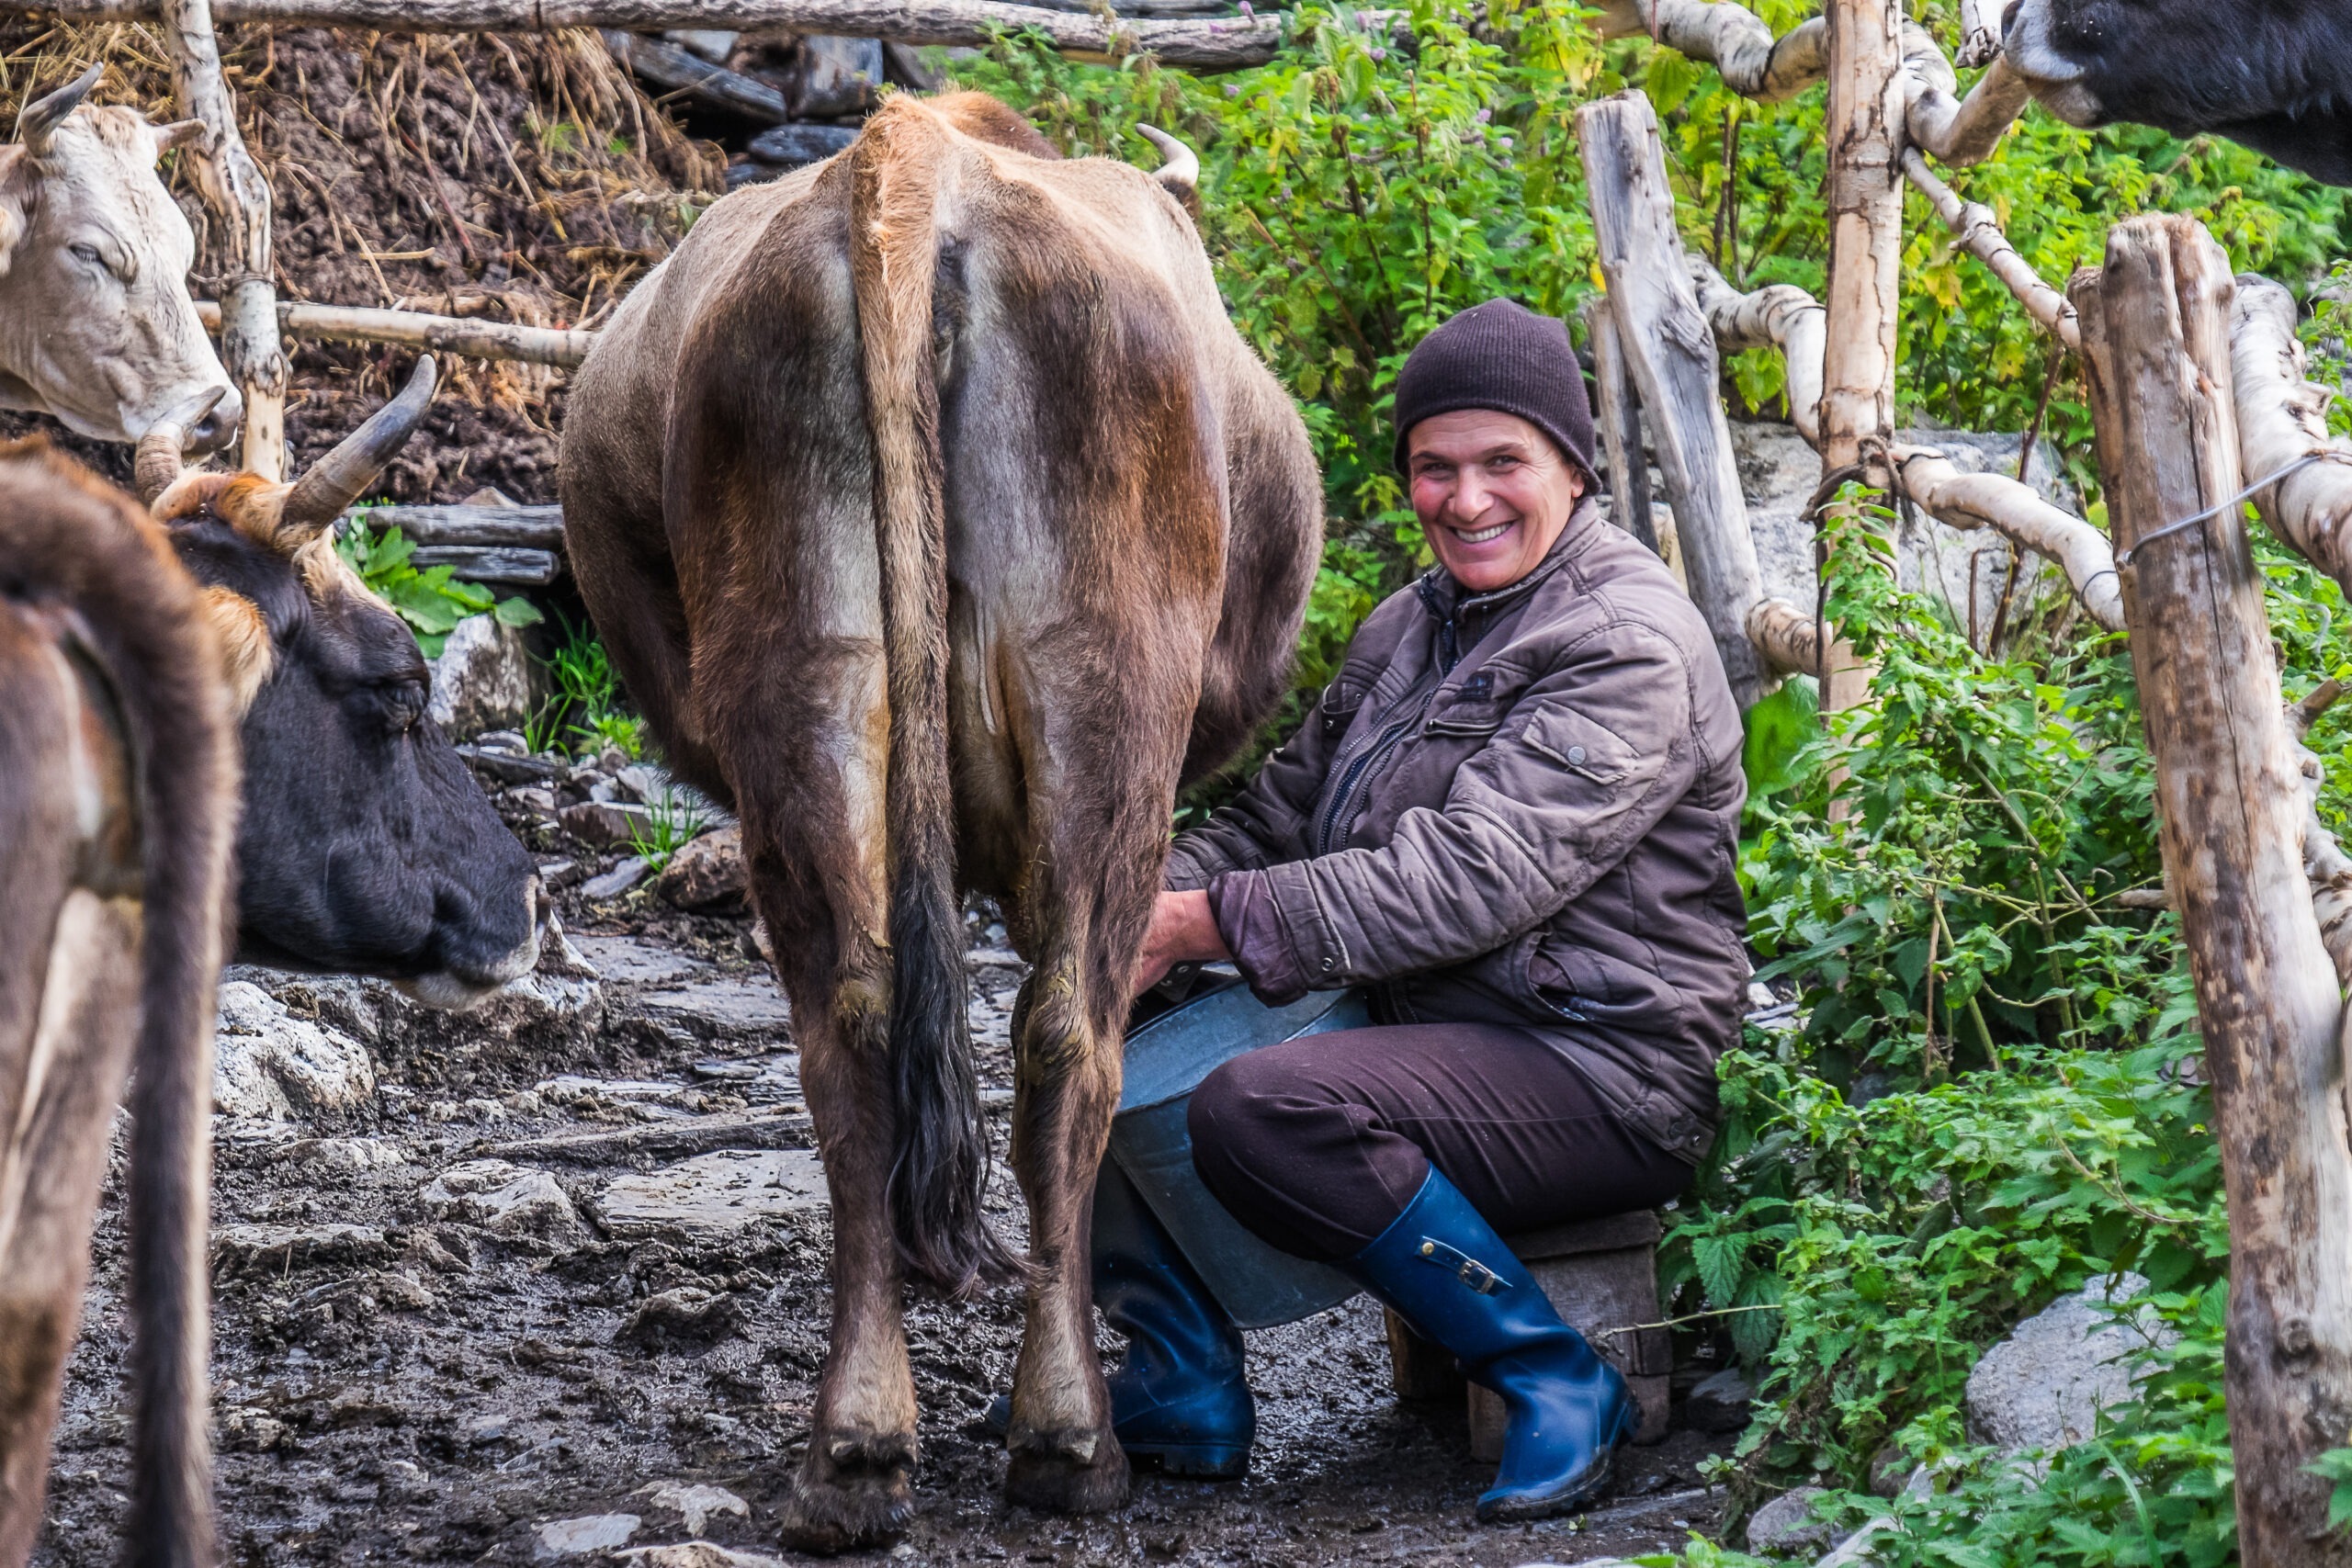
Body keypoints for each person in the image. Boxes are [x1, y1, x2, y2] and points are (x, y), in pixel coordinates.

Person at [1001, 298, 1751, 1522]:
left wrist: (1203, 927)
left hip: (1603, 1061)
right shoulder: (1413, 625)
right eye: (1433, 468)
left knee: (1267, 1109)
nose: (1465, 501)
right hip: (1441, 1028)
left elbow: (1476, 873)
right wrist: (1131, 906)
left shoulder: (1623, 641)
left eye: (1502, 463)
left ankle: (1551, 1373)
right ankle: (1179, 1374)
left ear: (1570, 463)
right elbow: (1279, 817)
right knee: (1071, 1019)